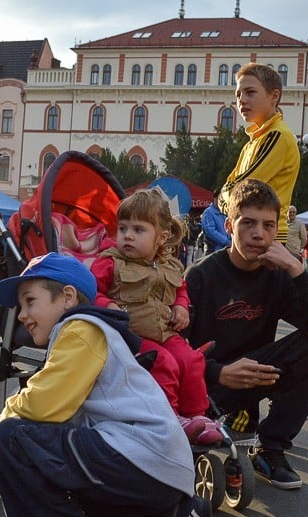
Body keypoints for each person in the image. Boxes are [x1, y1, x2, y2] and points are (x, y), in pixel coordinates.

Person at [0, 253, 210, 517]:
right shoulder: (98, 333)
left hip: (135, 453)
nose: (23, 315)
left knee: (11, 438)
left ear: (67, 297)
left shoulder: (79, 328)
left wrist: (2, 418)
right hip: (161, 466)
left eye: (30, 301)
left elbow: (44, 403)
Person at [184, 179, 308, 490]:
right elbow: (173, 350)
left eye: (268, 225)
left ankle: (270, 448)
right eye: (249, 223)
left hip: (254, 377)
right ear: (230, 225)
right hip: (203, 385)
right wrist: (218, 372)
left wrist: (297, 272)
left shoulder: (277, 276)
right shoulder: (200, 276)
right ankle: (195, 437)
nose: (259, 233)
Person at [90, 188, 221, 446]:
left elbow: (180, 289)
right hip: (129, 337)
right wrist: (106, 304)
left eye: (138, 230)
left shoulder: (169, 265)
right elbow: (89, 290)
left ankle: (197, 416)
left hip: (164, 331)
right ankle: (169, 418)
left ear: (161, 237)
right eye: (123, 228)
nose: (127, 236)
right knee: (164, 362)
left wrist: (182, 307)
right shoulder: (110, 262)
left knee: (192, 359)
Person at [208, 63, 300, 245]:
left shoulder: (277, 136)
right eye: (238, 94)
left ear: (274, 96)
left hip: (266, 238)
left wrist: (224, 201)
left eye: (250, 92)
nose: (241, 100)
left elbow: (241, 190)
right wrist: (228, 197)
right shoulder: (254, 141)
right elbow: (232, 189)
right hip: (249, 233)